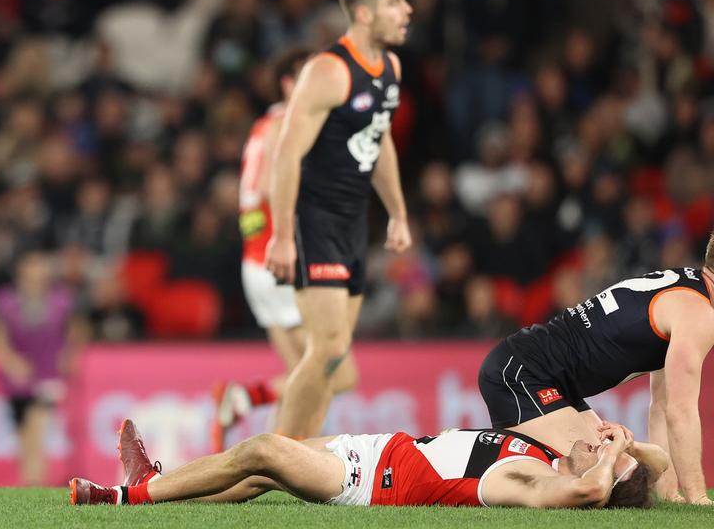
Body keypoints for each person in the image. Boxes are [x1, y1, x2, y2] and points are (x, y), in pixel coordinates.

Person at [264, 0, 414, 438]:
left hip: (353, 224)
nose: (407, 9)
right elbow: (287, 153)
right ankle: (278, 454)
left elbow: (380, 137)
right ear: (365, 14)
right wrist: (283, 236)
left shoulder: (390, 67)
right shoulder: (329, 70)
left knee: (335, 353)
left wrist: (397, 212)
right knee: (327, 348)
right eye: (395, 2)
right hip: (316, 221)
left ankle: (299, 458)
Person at [476, 236, 714, 505]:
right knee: (614, 479)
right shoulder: (699, 314)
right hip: (522, 373)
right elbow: (681, 411)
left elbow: (662, 405)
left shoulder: (685, 282)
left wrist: (670, 494)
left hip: (545, 374)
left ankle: (664, 488)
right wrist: (698, 497)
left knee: (635, 468)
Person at [69, 418, 662, 509]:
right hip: (383, 447)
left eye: (609, 455)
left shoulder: (529, 481)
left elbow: (590, 496)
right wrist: (629, 446)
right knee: (255, 476)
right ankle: (159, 487)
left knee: (265, 451)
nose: (600, 438)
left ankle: (127, 495)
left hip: (373, 481)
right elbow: (655, 465)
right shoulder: (554, 451)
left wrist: (608, 462)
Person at [212, 50, 312, 451]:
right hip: (278, 258)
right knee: (330, 372)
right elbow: (274, 187)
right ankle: (244, 398)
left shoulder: (264, 124)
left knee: (301, 374)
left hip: (257, 258)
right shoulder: (287, 125)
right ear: (288, 83)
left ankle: (273, 455)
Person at [0, 251, 85, 485]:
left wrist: (69, 355)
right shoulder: (7, 302)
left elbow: (77, 330)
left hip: (48, 375)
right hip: (18, 381)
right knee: (23, 435)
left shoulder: (61, 300)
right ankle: (28, 481)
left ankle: (35, 480)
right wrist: (10, 362)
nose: (36, 283)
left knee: (38, 427)